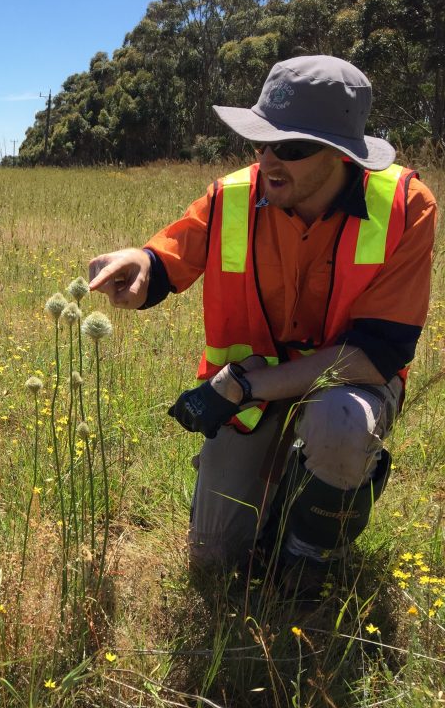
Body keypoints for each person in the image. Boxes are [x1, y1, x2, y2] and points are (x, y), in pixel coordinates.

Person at [87, 56, 437, 574]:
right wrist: (140, 264)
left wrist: (245, 387)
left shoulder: (407, 207)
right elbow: (169, 257)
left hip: (339, 388)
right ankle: (267, 481)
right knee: (214, 561)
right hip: (249, 395)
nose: (270, 160)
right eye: (261, 142)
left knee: (340, 425)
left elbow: (374, 356)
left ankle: (313, 544)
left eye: (291, 148)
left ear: (342, 155)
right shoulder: (231, 195)